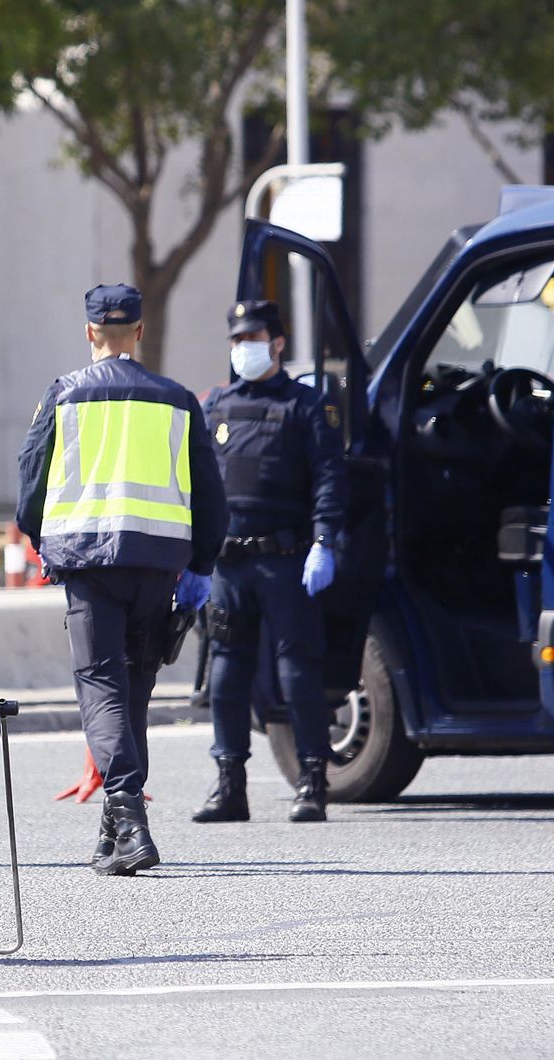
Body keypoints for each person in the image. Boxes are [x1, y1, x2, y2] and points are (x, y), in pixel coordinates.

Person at [17, 283, 226, 876]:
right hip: (157, 565)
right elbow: (211, 495)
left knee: (102, 686)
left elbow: (31, 478)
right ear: (139, 331)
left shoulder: (64, 394)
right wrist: (201, 567)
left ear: (90, 332)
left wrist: (38, 536)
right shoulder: (178, 400)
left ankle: (129, 819)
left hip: (87, 564)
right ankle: (114, 834)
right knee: (134, 690)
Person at [192, 300, 347, 825]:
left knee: (297, 673)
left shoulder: (304, 405)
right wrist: (193, 556)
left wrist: (325, 541)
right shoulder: (217, 405)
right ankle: (229, 786)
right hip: (229, 565)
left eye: (253, 338)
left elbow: (329, 479)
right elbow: (199, 485)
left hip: (285, 560)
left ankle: (312, 781)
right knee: (225, 675)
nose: (244, 348)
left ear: (277, 343)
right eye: (237, 340)